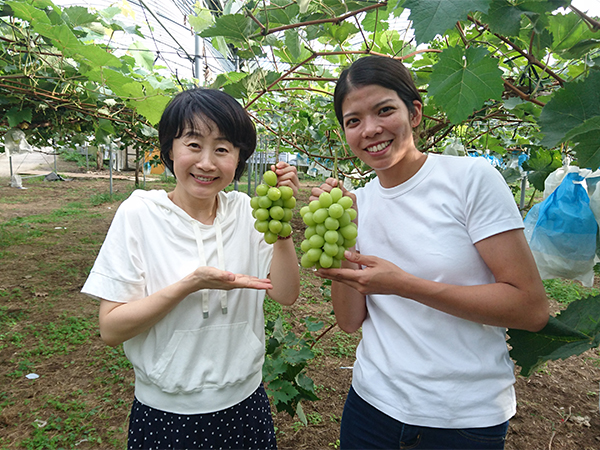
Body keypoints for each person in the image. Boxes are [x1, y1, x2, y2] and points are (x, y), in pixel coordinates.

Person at [312, 55, 549, 450]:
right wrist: (340, 240)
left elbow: (531, 309)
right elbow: (350, 321)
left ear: (415, 113)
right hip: (372, 406)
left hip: (462, 420)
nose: (370, 129)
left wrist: (404, 285)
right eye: (353, 120)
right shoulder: (358, 204)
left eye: (384, 110)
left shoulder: (470, 180)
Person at [81, 88, 300, 450]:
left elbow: (286, 294)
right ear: (170, 150)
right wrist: (189, 285)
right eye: (194, 144)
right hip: (166, 415)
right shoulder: (139, 215)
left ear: (239, 157)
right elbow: (111, 328)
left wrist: (282, 229)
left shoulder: (247, 212)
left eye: (223, 149)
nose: (207, 163)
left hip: (245, 404)